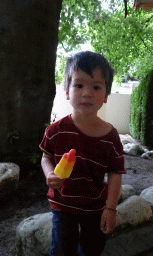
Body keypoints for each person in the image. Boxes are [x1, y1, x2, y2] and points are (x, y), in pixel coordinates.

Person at [39, 51, 126, 256]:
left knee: (92, 249)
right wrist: (50, 173)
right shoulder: (55, 131)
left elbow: (115, 173)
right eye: (79, 85)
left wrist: (111, 208)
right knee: (62, 250)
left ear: (105, 96)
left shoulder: (111, 136)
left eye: (96, 86)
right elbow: (46, 157)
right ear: (67, 92)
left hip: (95, 207)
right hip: (63, 205)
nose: (87, 93)